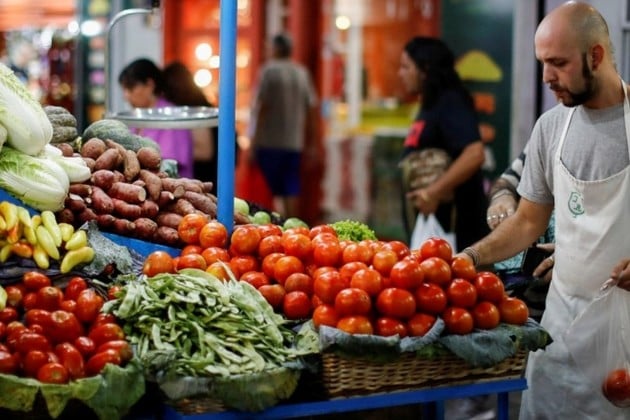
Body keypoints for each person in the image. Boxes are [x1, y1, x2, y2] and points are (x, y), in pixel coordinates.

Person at [455, 2, 630, 418]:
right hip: (560, 334)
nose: (547, 77)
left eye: (558, 63)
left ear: (596, 56)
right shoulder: (551, 128)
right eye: (542, 63)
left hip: (622, 342)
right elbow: (527, 222)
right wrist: (470, 258)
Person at [398, 36, 489, 251]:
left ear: (425, 69)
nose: (400, 73)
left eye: (406, 67)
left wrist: (433, 192)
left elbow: (474, 153)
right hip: (433, 227)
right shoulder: (430, 102)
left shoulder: (450, 101)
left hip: (455, 231)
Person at [249, 33, 318, 218]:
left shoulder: (268, 71)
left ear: (276, 49)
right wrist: (312, 143)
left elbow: (262, 107)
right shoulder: (302, 73)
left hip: (269, 141)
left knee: (268, 193)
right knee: (290, 189)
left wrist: (253, 141)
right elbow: (312, 109)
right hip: (294, 142)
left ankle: (272, 227)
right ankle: (292, 226)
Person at [487, 145, 555, 322]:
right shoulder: (548, 134)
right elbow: (505, 182)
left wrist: (571, 254)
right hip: (523, 301)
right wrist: (502, 198)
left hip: (588, 298)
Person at [118, 58, 194, 178]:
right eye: (124, 90)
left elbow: (167, 164)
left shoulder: (171, 116)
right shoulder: (136, 117)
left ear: (150, 85)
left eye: (130, 88)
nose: (126, 96)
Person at [162, 61, 218, 185]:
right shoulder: (197, 103)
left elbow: (205, 152)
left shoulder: (195, 108)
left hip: (205, 175)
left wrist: (171, 150)